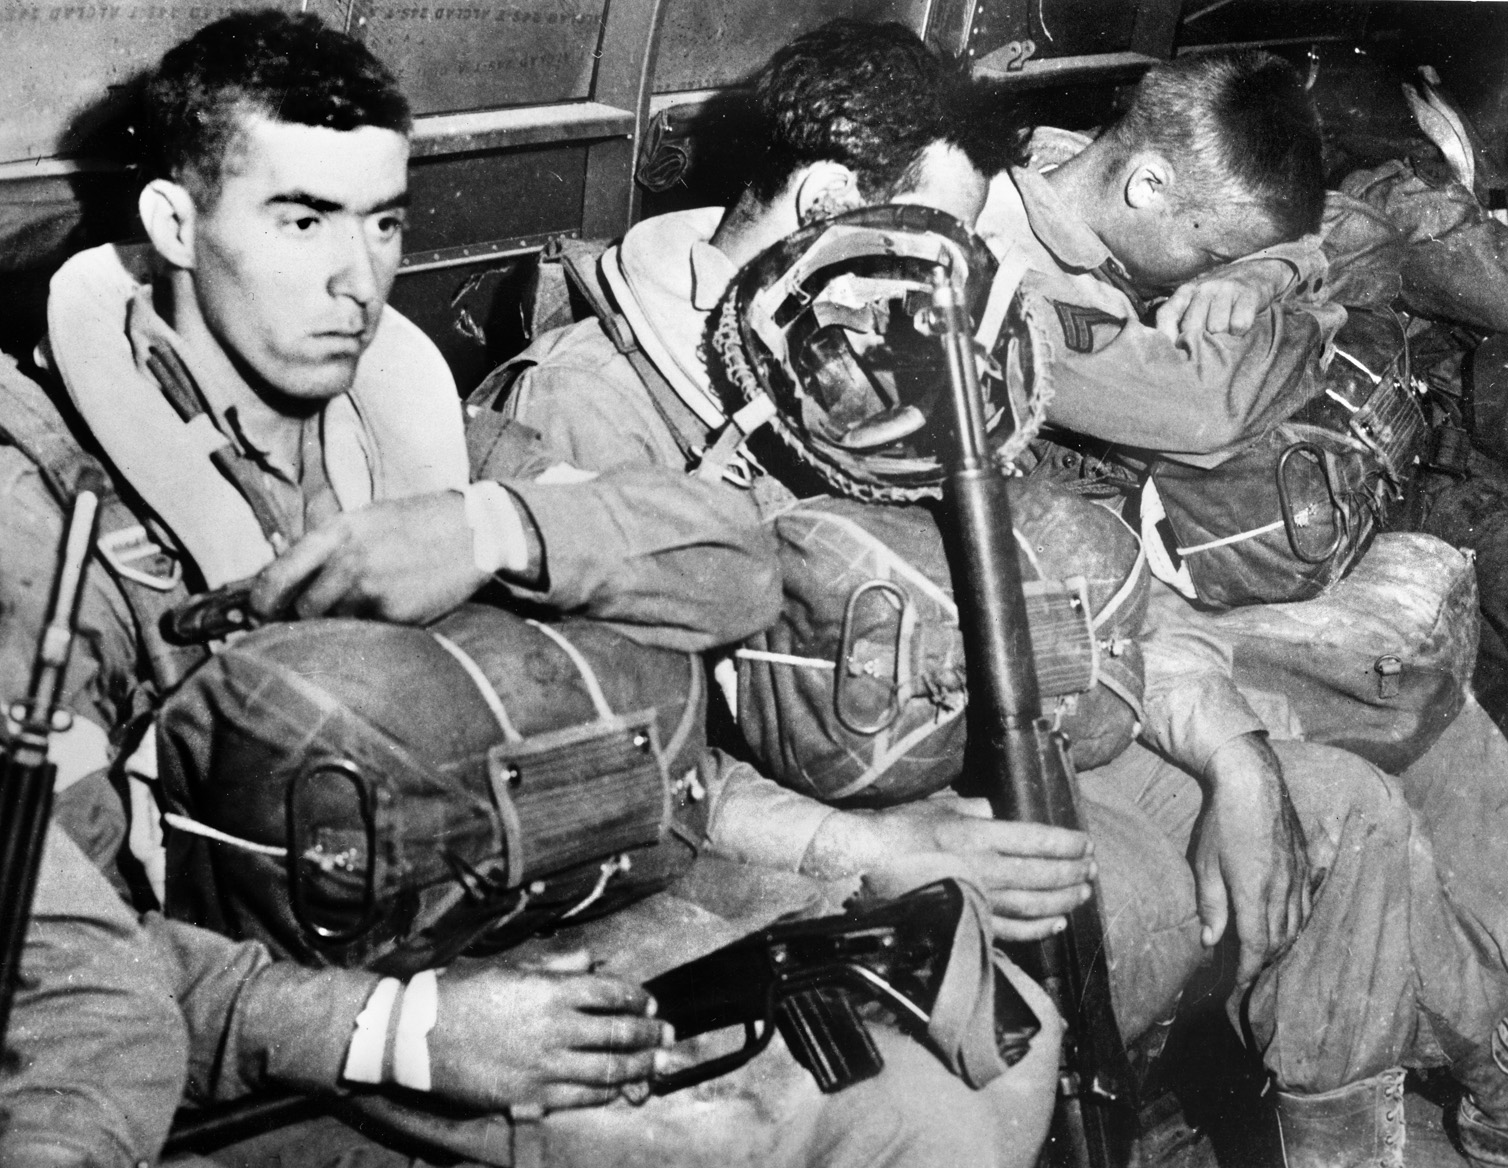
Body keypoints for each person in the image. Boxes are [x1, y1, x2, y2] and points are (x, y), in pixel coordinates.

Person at [0, 10, 1066, 1167]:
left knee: (988, 1052)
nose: (357, 281)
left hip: (519, 909)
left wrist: (493, 527)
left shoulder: (404, 424)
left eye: (385, 223)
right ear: (173, 220)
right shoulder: (45, 528)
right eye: (300, 221)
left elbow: (735, 567)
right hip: (290, 1014)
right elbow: (63, 962)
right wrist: (401, 1032)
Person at [489, 26, 1508, 1168]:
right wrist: (867, 842)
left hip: (1010, 736)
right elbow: (612, 772)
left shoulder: (894, 346)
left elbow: (1087, 590)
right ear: (827, 197)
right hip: (808, 823)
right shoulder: (598, 403)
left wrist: (1229, 754)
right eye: (933, 235)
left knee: (1339, 810)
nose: (962, 280)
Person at [967, 48, 1508, 1166]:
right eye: (1215, 246)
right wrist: (1287, 299)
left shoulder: (1102, 190)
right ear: (1151, 190)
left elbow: (1342, 235)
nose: (1217, 263)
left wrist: (1263, 275)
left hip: (1153, 587)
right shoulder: (994, 276)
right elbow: (1206, 406)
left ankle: (1498, 1050)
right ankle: (1471, 1062)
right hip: (1088, 634)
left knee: (1439, 715)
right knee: (1381, 754)